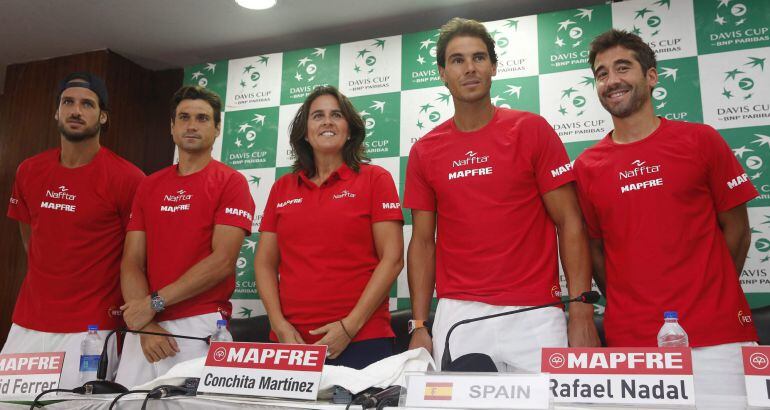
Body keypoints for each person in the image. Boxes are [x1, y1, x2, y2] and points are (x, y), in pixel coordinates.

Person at [404, 18, 599, 372]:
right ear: (442, 73)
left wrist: (581, 309)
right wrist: (419, 324)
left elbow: (570, 221)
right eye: (457, 60)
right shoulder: (424, 151)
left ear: (494, 66)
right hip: (459, 313)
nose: (470, 68)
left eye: (479, 58)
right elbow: (422, 242)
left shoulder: (531, 129)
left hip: (536, 313)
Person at [574, 29, 758, 396]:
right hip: (632, 344)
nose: (612, 80)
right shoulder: (587, 166)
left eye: (623, 68)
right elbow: (596, 251)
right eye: (601, 73)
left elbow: (737, 230)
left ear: (651, 76)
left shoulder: (701, 140)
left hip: (718, 337)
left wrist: (711, 293)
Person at [2, 72, 144, 388]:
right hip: (28, 322)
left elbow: (136, 257)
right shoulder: (29, 170)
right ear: (56, 111)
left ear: (103, 116)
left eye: (87, 104)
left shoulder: (128, 178)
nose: (76, 111)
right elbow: (31, 237)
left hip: (91, 329)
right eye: (68, 102)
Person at [255, 86, 404, 369]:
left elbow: (393, 258)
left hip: (362, 338)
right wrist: (278, 325)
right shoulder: (282, 188)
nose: (327, 122)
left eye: (336, 115)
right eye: (317, 116)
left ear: (350, 130)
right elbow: (263, 264)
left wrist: (349, 327)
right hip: (290, 341)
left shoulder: (375, 179)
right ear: (305, 132)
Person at [115, 86, 255, 387]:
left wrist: (153, 305)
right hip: (146, 330)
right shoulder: (149, 185)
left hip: (200, 325)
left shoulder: (231, 182)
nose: (192, 125)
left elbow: (222, 261)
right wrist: (148, 324)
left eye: (203, 118)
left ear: (218, 128)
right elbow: (131, 262)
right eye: (184, 117)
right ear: (172, 127)